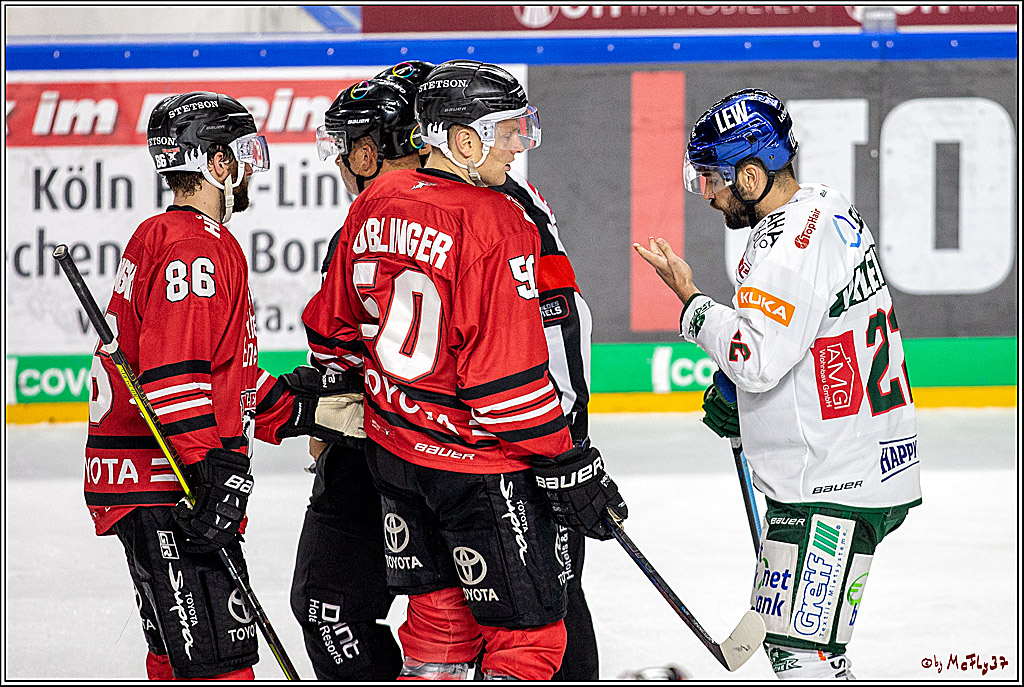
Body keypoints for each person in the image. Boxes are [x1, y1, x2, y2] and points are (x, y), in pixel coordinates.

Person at [301, 59, 628, 680]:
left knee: (439, 622)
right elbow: (503, 378)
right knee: (531, 638)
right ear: (461, 138)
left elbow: (333, 325)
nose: (518, 144)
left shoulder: (375, 202)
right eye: (506, 131)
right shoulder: (496, 217)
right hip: (481, 465)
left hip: (398, 454)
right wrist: (566, 458)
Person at [635, 88, 922, 680]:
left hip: (833, 477)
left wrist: (691, 305)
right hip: (838, 465)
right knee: (794, 646)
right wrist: (738, 391)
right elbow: (802, 339)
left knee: (804, 653)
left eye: (714, 177)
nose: (709, 193)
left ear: (751, 171)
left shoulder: (790, 244)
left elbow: (758, 358)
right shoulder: (825, 206)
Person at [84, 91, 270, 680]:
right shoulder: (194, 246)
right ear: (216, 164)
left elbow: (218, 372)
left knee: (176, 653)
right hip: (172, 489)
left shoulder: (162, 234)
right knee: (220, 664)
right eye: (240, 156)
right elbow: (174, 377)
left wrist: (298, 406)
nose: (247, 171)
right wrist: (208, 474)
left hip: (149, 485)